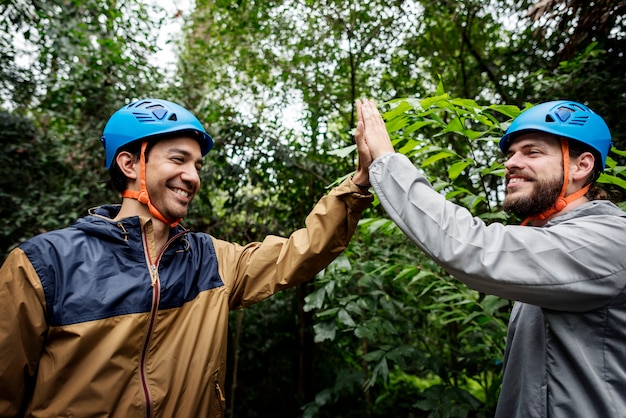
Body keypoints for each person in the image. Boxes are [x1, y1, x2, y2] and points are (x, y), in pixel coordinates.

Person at [0, 98, 373, 417]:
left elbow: (301, 252)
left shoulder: (210, 259)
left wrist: (357, 185)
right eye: (178, 159)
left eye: (197, 165)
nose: (192, 176)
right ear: (130, 164)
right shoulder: (43, 265)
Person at [355, 98, 626, 417]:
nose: (511, 162)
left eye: (532, 151)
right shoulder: (554, 242)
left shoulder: (609, 240)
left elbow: (472, 246)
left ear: (582, 165)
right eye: (510, 154)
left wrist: (387, 162)